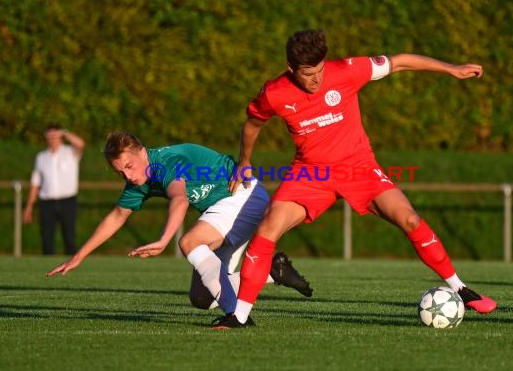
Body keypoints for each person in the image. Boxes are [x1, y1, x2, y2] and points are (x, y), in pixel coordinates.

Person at [212, 29, 497, 329]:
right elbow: (252, 125)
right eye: (308, 74)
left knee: (409, 218)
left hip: (358, 168)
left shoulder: (346, 70)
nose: (317, 80)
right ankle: (239, 316)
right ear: (290, 69)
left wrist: (450, 68)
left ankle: (461, 289)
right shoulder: (274, 93)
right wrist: (244, 161)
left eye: (320, 70)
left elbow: (398, 61)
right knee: (268, 226)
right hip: (311, 173)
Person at [46, 131, 313, 316]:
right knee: (202, 298)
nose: (127, 175)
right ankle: (274, 272)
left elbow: (179, 199)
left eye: (129, 165)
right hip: (226, 207)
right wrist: (79, 256)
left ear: (142, 151)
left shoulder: (165, 163)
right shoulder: (140, 179)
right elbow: (117, 216)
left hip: (242, 195)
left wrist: (164, 240)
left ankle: (236, 317)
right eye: (120, 172)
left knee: (189, 242)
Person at [23, 124, 86, 255]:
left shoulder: (70, 152)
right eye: (49, 136)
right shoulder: (41, 157)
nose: (52, 139)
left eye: (55, 136)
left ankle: (71, 267)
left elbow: (81, 144)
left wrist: (65, 132)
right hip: (47, 203)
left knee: (69, 237)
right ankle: (47, 271)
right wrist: (29, 207)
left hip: (68, 201)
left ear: (60, 136)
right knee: (46, 239)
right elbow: (35, 183)